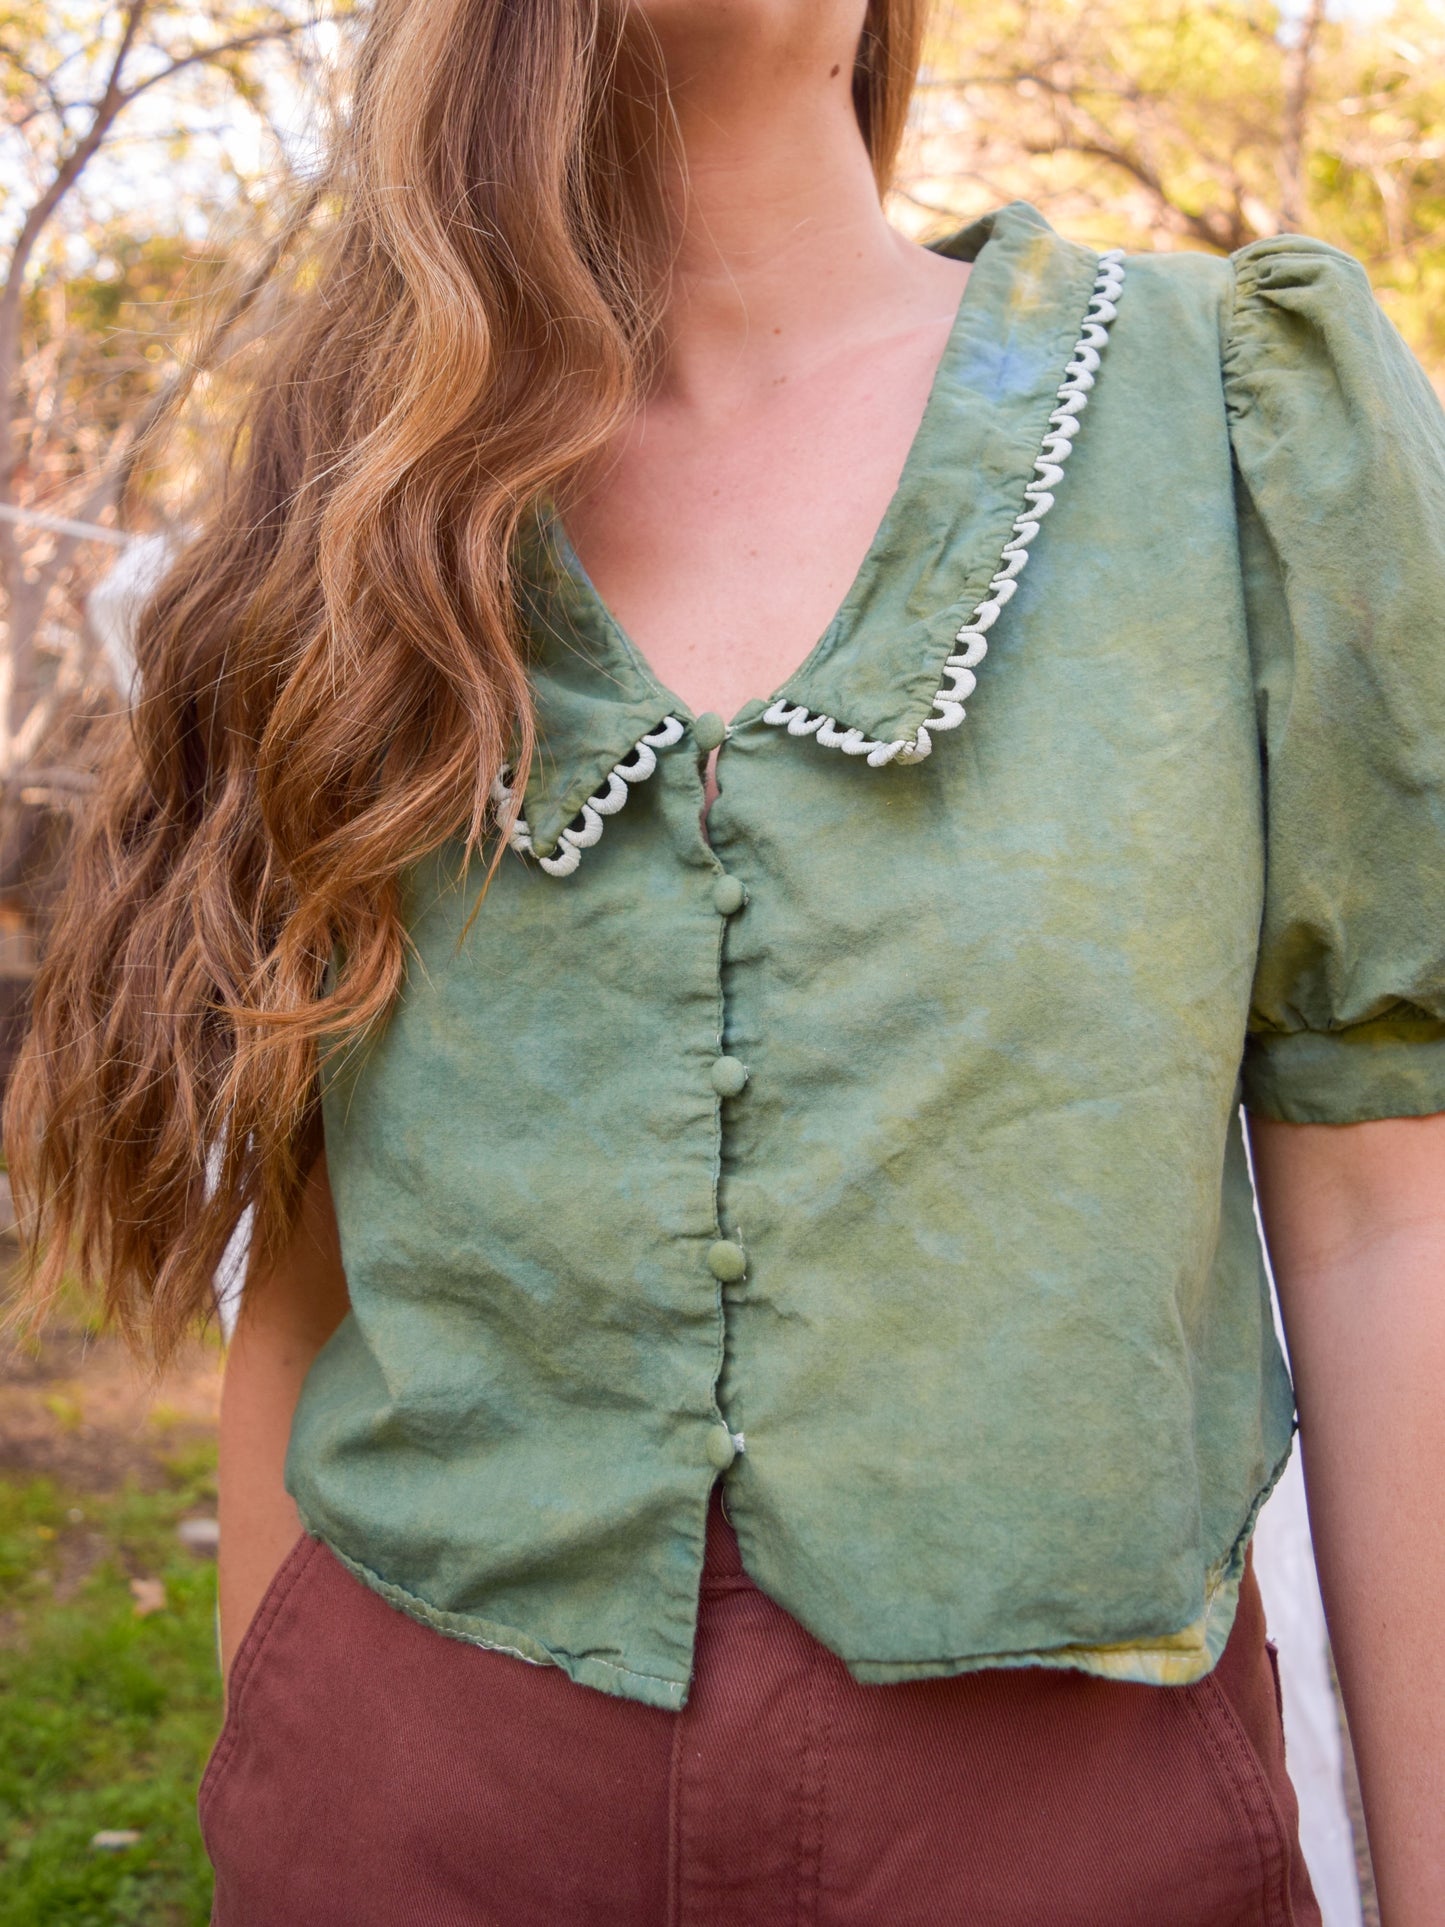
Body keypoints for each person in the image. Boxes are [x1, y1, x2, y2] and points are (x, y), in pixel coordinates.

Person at [7, 1, 1444, 1921]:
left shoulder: (1239, 411)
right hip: (410, 1798)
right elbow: (314, 1256)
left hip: (1069, 1833)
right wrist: (283, 1763)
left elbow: (1386, 1205)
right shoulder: (353, 511)